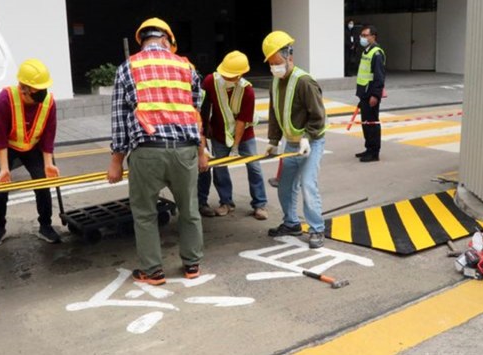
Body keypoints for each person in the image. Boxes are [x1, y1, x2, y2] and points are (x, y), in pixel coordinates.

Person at [107, 18, 207, 285]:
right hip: (184, 150)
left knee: (144, 213)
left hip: (147, 152)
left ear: (142, 40)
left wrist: (116, 160)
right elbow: (195, 113)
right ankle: (192, 265)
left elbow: (120, 117)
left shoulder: (128, 67)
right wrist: (201, 150)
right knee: (189, 209)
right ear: (166, 39)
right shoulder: (187, 67)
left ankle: (153, 272)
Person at [262, 31, 327, 248]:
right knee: (285, 186)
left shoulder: (305, 82)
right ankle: (291, 223)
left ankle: (317, 229)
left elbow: (318, 115)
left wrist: (307, 137)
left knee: (308, 184)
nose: (274, 67)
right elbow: (274, 113)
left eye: (277, 62)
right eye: (271, 63)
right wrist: (272, 141)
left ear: (289, 55)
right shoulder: (275, 81)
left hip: (311, 142)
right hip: (290, 143)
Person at [0, 59, 61, 247]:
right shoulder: (5, 99)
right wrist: (4, 169)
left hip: (32, 146)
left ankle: (45, 225)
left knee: (42, 181)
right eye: (35, 93)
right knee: (0, 185)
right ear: (23, 88)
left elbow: (48, 135)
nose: (39, 98)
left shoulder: (48, 102)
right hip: (6, 145)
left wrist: (48, 164)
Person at [197, 50, 268, 220]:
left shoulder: (247, 91)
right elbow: (203, 112)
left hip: (244, 135)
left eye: (230, 76)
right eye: (225, 74)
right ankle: (226, 202)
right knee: (220, 168)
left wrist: (236, 146)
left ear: (240, 75)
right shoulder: (210, 82)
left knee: (254, 167)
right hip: (219, 133)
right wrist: (203, 141)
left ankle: (259, 204)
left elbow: (242, 121)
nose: (226, 78)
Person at [355, 24, 386, 163]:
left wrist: (375, 95)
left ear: (373, 36)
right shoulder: (366, 51)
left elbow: (379, 77)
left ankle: (374, 152)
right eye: (362, 35)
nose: (362, 38)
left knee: (372, 124)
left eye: (365, 35)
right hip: (364, 94)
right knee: (366, 123)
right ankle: (368, 148)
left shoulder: (377, 53)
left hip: (371, 95)